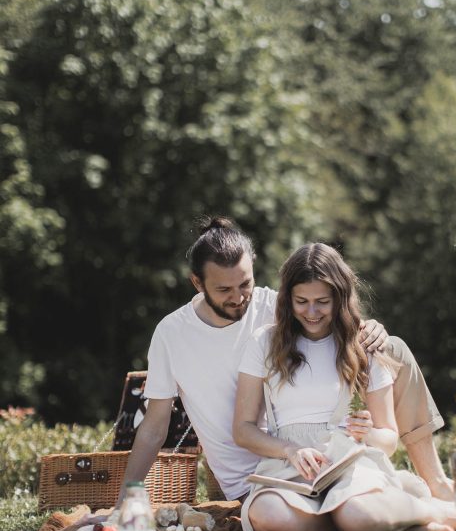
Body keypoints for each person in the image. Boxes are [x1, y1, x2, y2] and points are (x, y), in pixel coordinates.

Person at [114, 216, 389, 505]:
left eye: (245, 284)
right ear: (197, 282)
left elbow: (331, 319)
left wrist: (371, 328)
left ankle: (431, 479)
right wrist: (126, 497)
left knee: (395, 352)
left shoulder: (274, 307)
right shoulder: (171, 334)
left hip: (307, 462)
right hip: (249, 480)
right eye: (224, 290)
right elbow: (155, 427)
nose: (238, 297)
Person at [233, 243, 456, 531]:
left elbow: (389, 439)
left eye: (322, 302)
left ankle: (433, 511)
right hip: (289, 464)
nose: (311, 313)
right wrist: (289, 449)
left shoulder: (362, 345)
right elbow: (243, 430)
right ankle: (381, 530)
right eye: (301, 301)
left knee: (356, 514)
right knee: (269, 518)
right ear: (287, 299)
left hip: (351, 464)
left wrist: (366, 434)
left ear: (339, 298)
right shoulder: (265, 342)